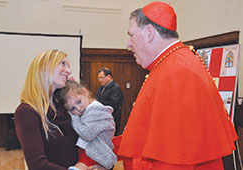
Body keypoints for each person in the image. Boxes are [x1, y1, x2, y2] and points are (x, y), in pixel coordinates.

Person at [117, 2, 238, 170]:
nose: (128, 45)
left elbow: (175, 156)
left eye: (131, 35)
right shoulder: (172, 63)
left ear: (149, 33)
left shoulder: (177, 72)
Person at [14, 49, 107, 170]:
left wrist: (97, 165)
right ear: (43, 68)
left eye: (68, 66)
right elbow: (37, 165)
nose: (68, 71)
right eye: (62, 63)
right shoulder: (27, 112)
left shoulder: (64, 107)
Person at [53, 80, 117, 170]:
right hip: (87, 151)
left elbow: (87, 134)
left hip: (95, 152)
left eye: (79, 102)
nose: (78, 109)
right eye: (72, 109)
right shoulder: (87, 110)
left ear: (85, 92)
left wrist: (73, 117)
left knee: (83, 164)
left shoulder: (97, 110)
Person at [96, 67, 123, 136]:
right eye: (99, 78)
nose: (100, 80)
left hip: (112, 118)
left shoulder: (116, 88)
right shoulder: (101, 87)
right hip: (102, 118)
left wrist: (100, 103)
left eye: (102, 78)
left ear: (108, 77)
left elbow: (114, 103)